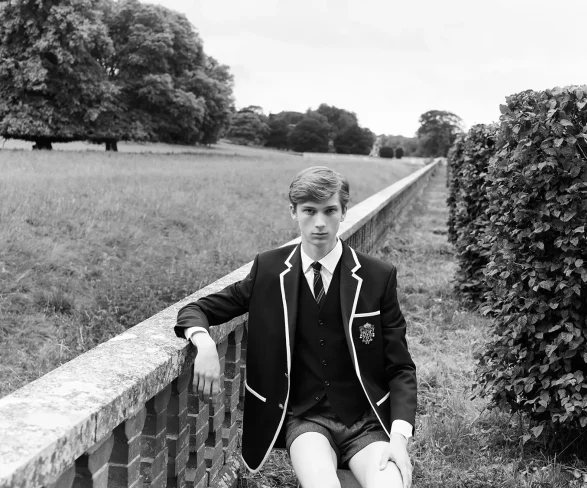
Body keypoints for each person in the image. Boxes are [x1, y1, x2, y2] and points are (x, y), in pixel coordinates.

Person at [174, 166, 417, 488]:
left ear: (344, 212)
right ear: (293, 212)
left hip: (367, 422)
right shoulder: (269, 270)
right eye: (309, 211)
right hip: (306, 421)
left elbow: (400, 366)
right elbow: (197, 309)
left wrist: (399, 438)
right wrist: (204, 343)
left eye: (330, 211)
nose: (320, 222)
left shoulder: (377, 276)